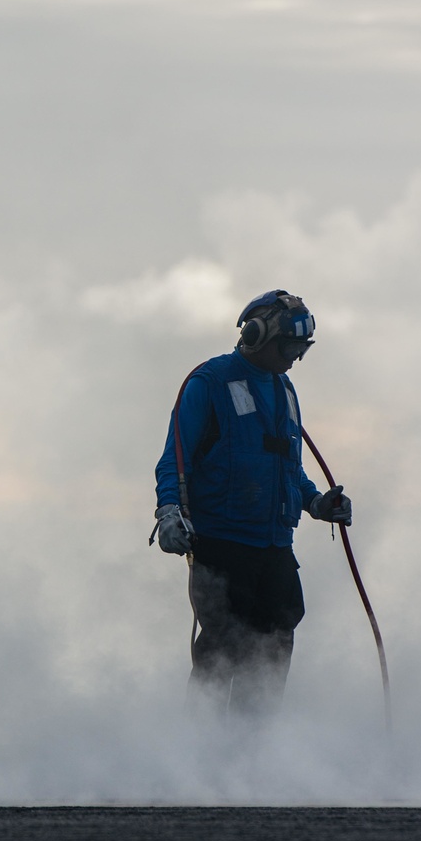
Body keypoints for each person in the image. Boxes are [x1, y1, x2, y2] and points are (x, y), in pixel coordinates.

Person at [152, 289, 352, 717]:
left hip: (274, 547)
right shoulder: (208, 382)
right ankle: (195, 757)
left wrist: (316, 503)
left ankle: (253, 761)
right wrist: (168, 510)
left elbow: (285, 468)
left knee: (275, 643)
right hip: (221, 546)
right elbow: (175, 458)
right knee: (224, 646)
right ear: (257, 334)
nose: (295, 358)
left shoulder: (285, 390)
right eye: (290, 347)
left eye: (303, 349)